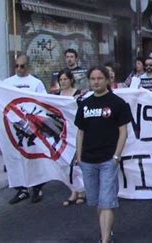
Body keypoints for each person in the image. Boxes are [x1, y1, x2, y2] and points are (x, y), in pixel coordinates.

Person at [75, 66, 132, 243]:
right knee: (98, 202)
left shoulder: (117, 103)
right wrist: (79, 156)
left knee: (107, 201)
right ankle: (106, 232)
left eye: (100, 78)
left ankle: (105, 240)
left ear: (107, 80)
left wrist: (116, 156)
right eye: (92, 79)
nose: (96, 82)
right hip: (88, 160)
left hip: (108, 159)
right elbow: (80, 132)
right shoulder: (84, 104)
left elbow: (123, 131)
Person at [4, 55, 47, 204]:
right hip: (13, 125)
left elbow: (44, 102)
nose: (19, 69)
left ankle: (37, 187)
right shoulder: (7, 83)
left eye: (22, 66)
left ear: (27, 66)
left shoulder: (36, 83)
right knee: (16, 157)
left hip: (32, 126)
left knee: (34, 156)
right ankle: (21, 189)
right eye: (16, 66)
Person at [56, 69, 86, 207]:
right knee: (66, 164)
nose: (63, 82)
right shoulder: (56, 95)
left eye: (65, 79)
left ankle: (82, 191)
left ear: (71, 80)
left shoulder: (78, 94)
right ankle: (73, 190)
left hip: (76, 132)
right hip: (63, 133)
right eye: (61, 79)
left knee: (77, 163)